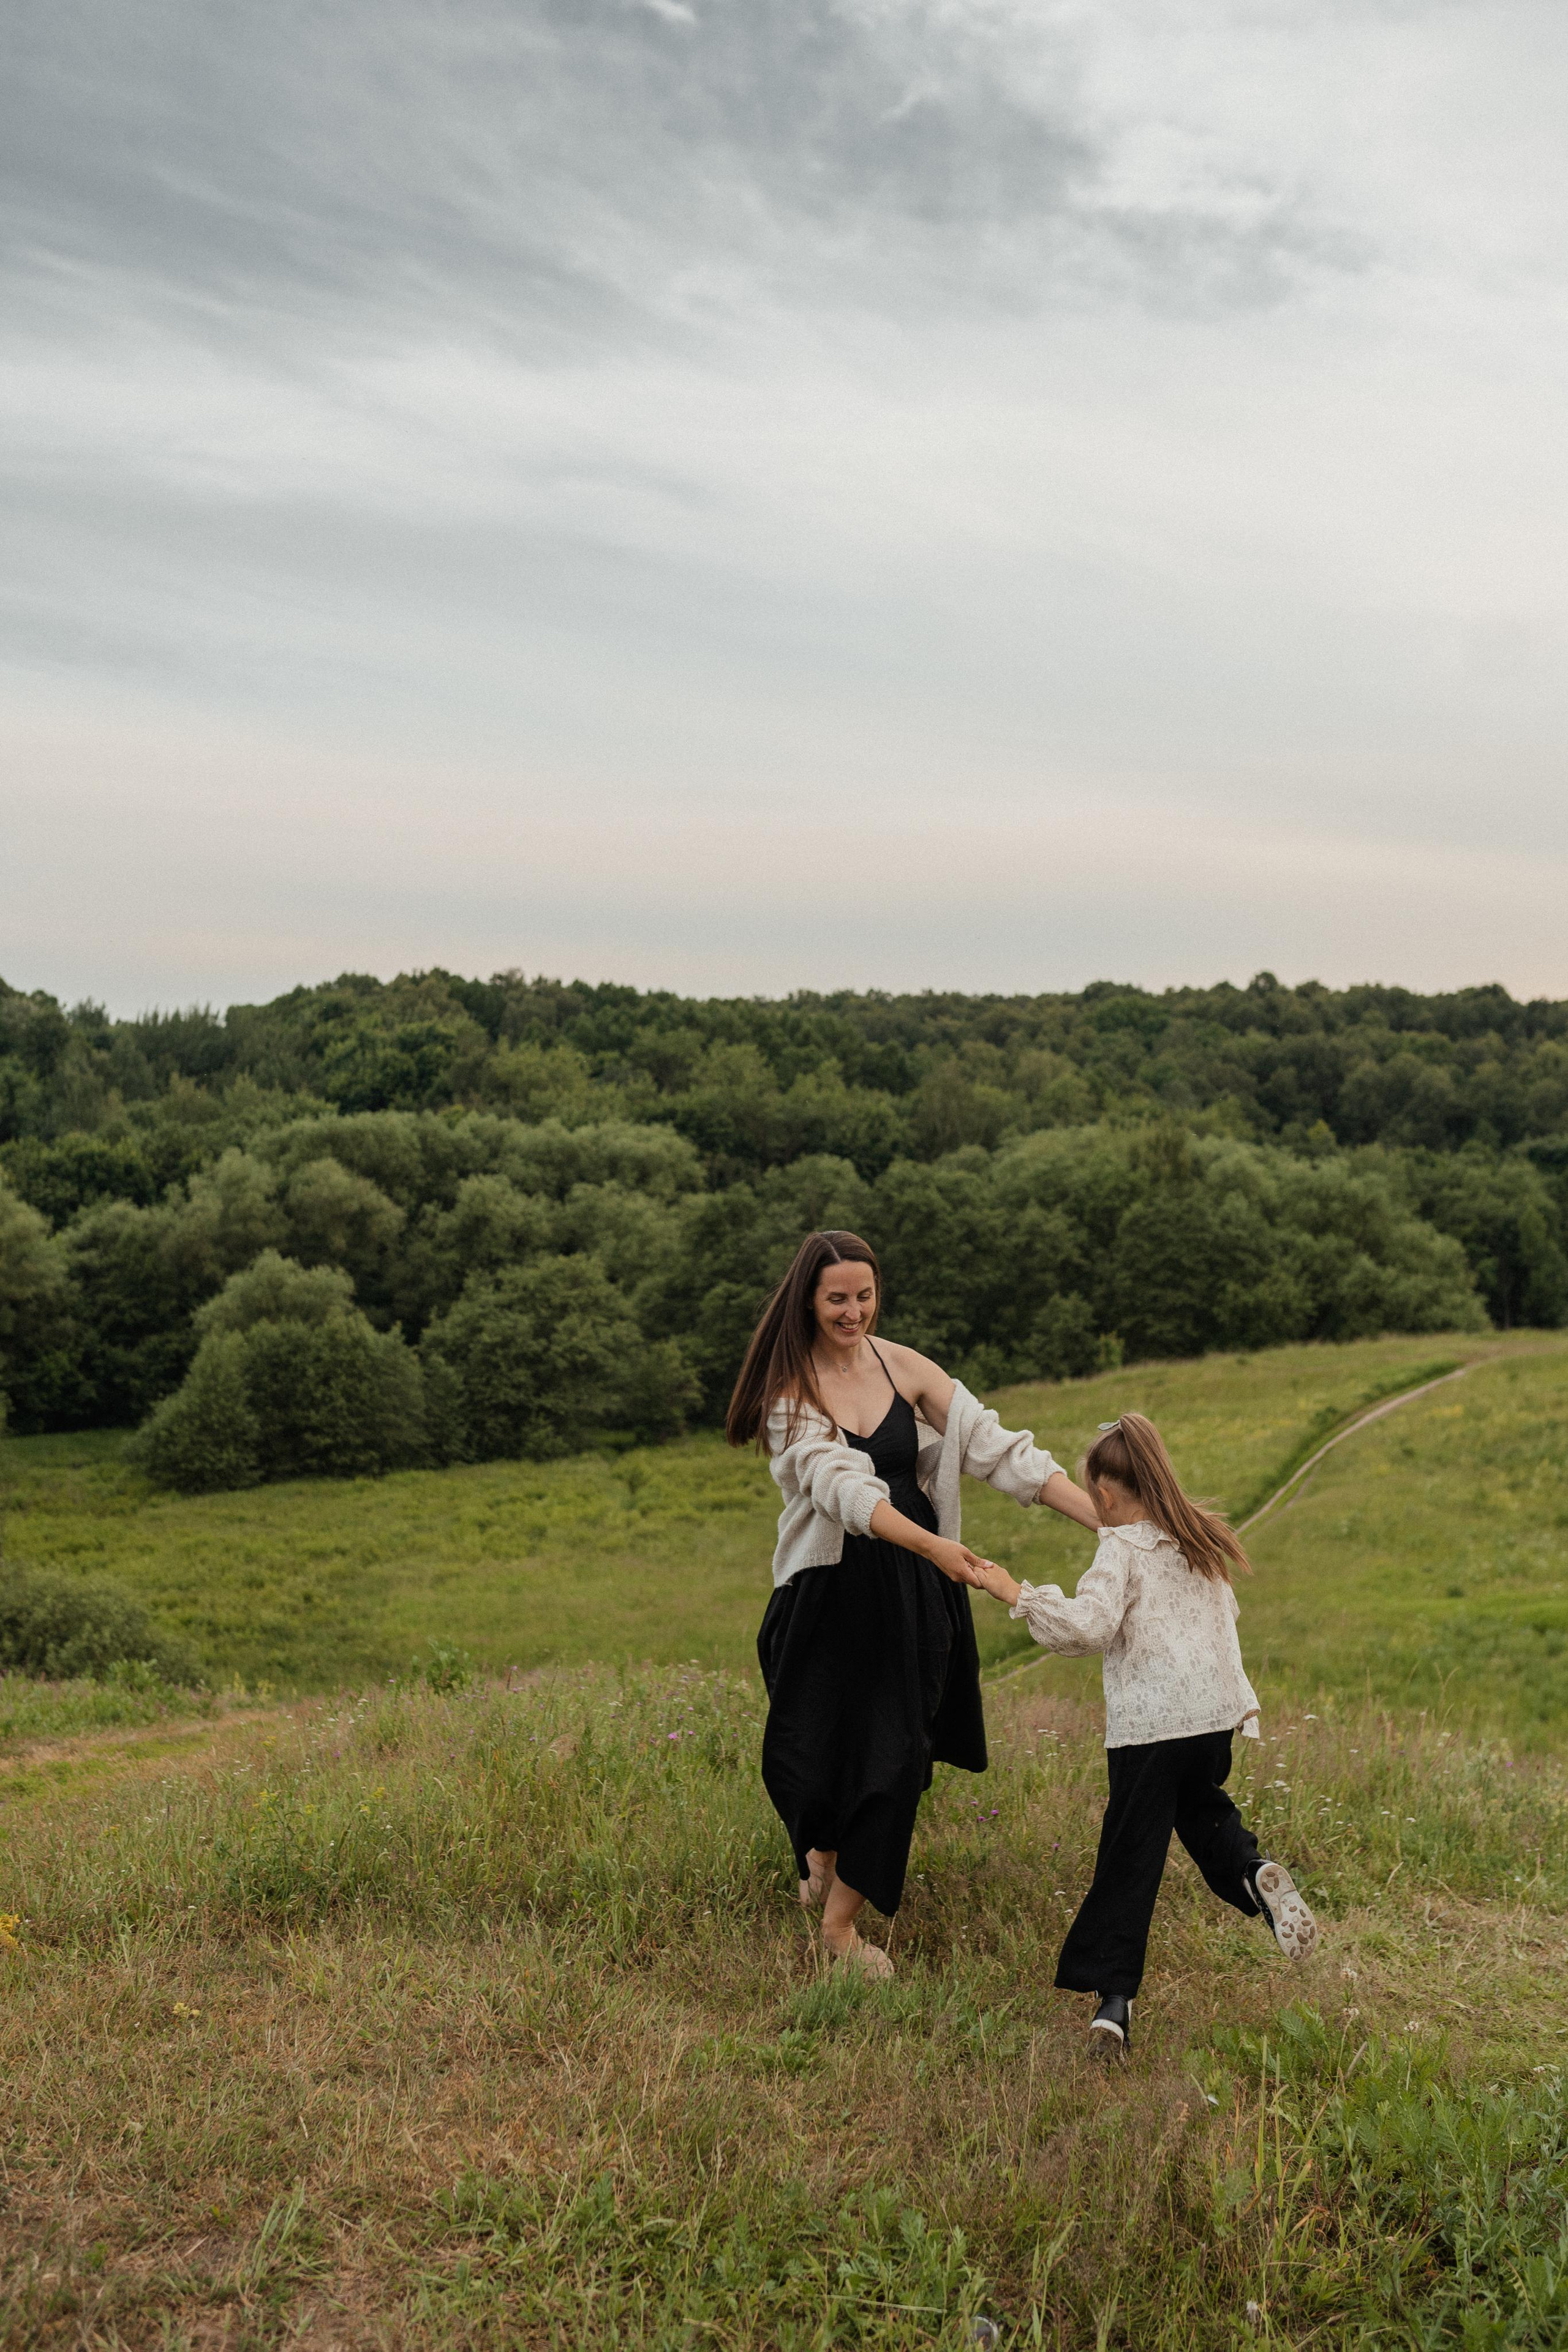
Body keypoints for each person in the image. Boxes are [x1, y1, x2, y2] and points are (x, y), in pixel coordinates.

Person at [727, 1229, 1101, 1978]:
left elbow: (1000, 1451)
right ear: (808, 1297)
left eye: (864, 1296)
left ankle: (839, 1931)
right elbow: (840, 1487)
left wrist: (1105, 1520)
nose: (853, 1311)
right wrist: (934, 1546)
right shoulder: (787, 1393)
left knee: (895, 1758)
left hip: (911, 1603)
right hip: (825, 1599)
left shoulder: (904, 1367)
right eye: (837, 1298)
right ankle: (822, 1853)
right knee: (813, 1754)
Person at [965, 1410, 1317, 2057]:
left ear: (1101, 1494)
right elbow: (1223, 1622)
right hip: (1212, 1723)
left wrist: (1016, 1594)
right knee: (1202, 1814)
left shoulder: (1120, 1548)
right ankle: (1254, 1871)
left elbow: (1088, 1629)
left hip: (1151, 1730)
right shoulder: (1198, 1538)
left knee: (1131, 1856)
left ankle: (1113, 2005)